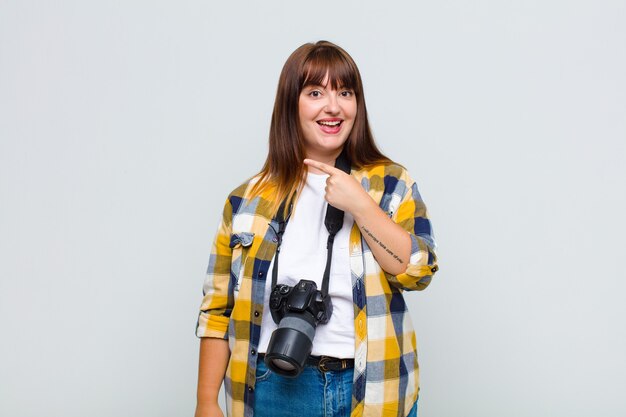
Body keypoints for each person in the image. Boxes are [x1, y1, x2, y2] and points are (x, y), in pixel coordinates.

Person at [194, 40, 438, 417]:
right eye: (315, 92)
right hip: (272, 385)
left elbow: (418, 272)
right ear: (291, 104)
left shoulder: (390, 184)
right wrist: (206, 401)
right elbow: (217, 311)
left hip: (373, 387)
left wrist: (361, 205)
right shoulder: (245, 200)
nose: (333, 106)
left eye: (345, 92)